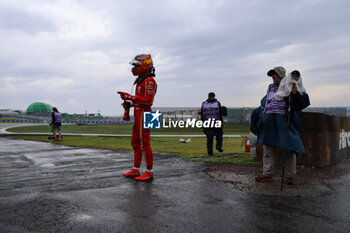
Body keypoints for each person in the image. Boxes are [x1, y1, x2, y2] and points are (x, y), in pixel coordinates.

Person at [255, 66, 310, 185]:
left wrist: (295, 94)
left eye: (274, 75)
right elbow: (264, 102)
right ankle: (267, 174)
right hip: (270, 123)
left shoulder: (290, 86)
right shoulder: (270, 88)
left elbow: (302, 103)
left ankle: (290, 176)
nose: (273, 77)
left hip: (284, 122)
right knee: (268, 148)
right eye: (272, 75)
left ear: (280, 75)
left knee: (289, 148)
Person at [118, 54, 157, 181]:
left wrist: (131, 97)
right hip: (139, 113)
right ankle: (136, 169)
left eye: (136, 65)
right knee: (135, 142)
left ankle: (149, 171)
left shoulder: (149, 80)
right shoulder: (141, 80)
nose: (134, 67)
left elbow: (148, 101)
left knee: (145, 143)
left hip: (147, 114)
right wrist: (130, 103)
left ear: (145, 65)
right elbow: (140, 101)